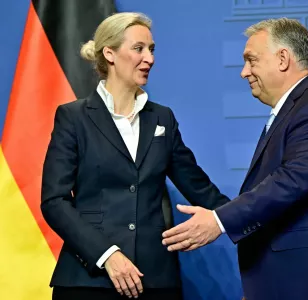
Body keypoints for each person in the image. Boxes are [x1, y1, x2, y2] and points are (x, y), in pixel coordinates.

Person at [162, 18, 308, 300]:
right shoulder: (296, 111)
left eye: (251, 60)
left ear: (283, 59)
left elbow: (290, 182)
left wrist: (218, 220)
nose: (244, 72)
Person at [41, 12, 229, 300]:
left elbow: (200, 188)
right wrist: (107, 255)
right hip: (88, 281)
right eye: (139, 48)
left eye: (151, 50)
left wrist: (244, 218)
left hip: (153, 280)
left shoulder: (163, 118)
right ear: (110, 54)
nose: (150, 59)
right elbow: (54, 201)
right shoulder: (73, 117)